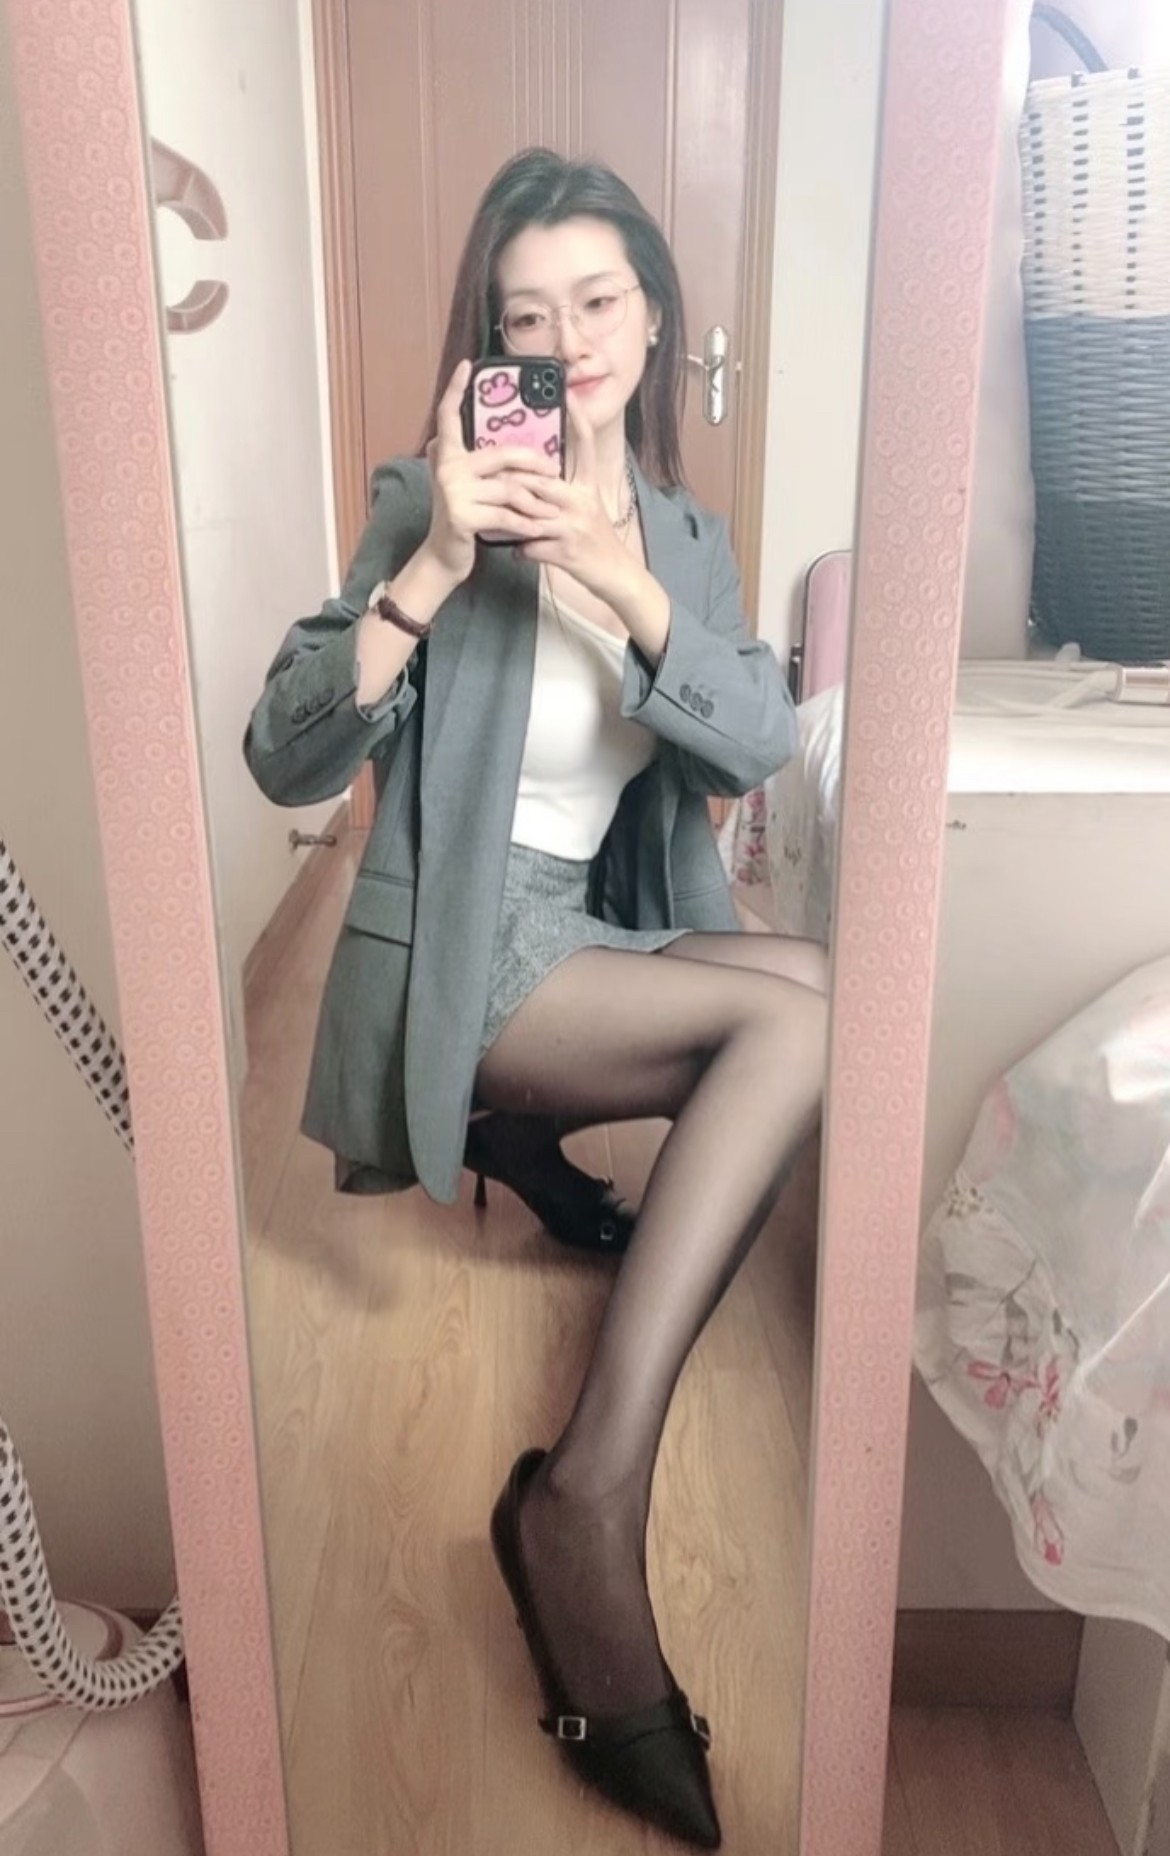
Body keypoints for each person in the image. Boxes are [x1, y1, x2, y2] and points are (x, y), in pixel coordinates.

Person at [244, 147, 827, 1849]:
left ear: (651, 320)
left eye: (595, 300)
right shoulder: (428, 501)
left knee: (821, 997)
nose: (564, 341)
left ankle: (529, 1173)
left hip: (585, 930)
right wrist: (435, 561)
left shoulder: (688, 543)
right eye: (523, 315)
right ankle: (584, 1500)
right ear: (485, 344)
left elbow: (754, 741)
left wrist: (623, 584)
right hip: (462, 948)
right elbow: (283, 750)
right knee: (795, 1025)